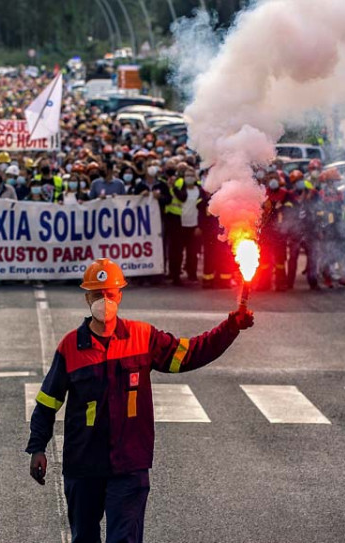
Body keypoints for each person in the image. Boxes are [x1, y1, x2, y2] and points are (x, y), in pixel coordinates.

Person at [26, 258, 254, 543]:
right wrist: (38, 447)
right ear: (87, 298)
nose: (104, 300)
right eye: (98, 294)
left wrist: (230, 327)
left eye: (110, 293)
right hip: (83, 465)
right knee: (84, 537)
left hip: (129, 465)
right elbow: (48, 402)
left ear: (119, 295)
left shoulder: (143, 337)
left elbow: (190, 353)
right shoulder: (70, 346)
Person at [164, 165, 205, 286]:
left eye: (191, 175)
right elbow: (180, 199)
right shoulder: (179, 189)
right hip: (180, 225)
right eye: (187, 175)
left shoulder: (200, 190)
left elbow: (202, 209)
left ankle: (192, 275)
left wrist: (200, 226)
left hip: (194, 226)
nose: (189, 177)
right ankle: (176, 276)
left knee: (193, 252)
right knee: (177, 252)